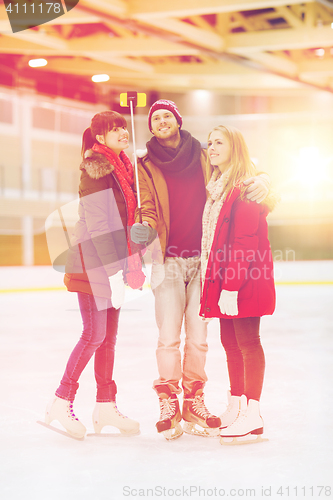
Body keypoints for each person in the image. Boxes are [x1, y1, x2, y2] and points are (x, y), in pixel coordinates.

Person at [131, 100, 270, 440]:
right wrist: (143, 227)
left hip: (205, 261)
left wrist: (266, 181)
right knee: (168, 336)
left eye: (167, 116)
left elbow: (244, 171)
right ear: (151, 127)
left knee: (199, 337)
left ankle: (194, 400)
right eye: (155, 118)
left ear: (178, 121)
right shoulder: (145, 165)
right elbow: (146, 207)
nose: (162, 121)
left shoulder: (206, 154)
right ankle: (168, 399)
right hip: (167, 259)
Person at [43, 111, 143, 439]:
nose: (122, 132)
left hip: (115, 262)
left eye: (123, 127)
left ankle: (105, 406)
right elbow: (101, 226)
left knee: (108, 339)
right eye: (114, 129)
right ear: (100, 137)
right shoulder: (95, 171)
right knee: (94, 334)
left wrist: (132, 263)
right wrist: (117, 270)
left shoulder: (126, 169)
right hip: (94, 262)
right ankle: (61, 400)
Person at [199, 125, 277, 445]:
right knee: (230, 344)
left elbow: (245, 241)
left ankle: (253, 412)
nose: (212, 147)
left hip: (244, 281)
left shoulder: (245, 187)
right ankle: (237, 403)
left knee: (247, 343)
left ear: (235, 147)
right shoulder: (217, 186)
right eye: (210, 142)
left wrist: (231, 287)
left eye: (220, 142)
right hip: (223, 280)